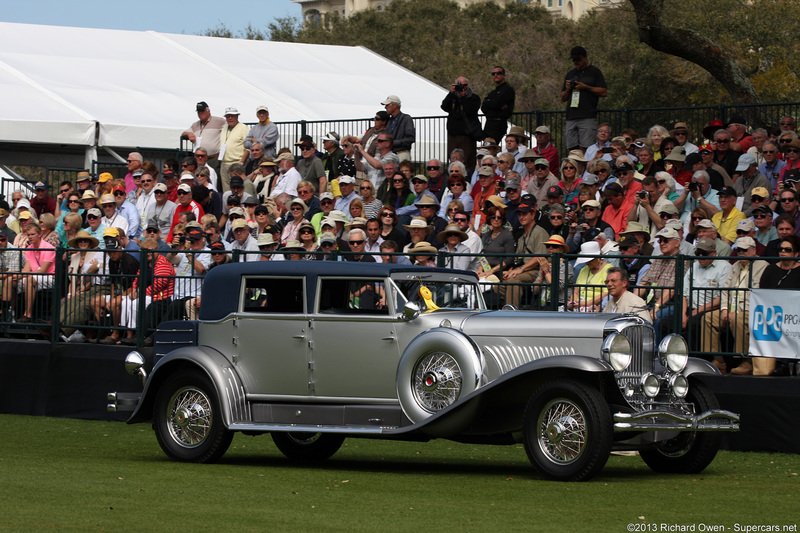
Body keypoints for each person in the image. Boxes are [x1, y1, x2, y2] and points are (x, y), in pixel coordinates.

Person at [702, 237, 768, 375]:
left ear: (754, 250)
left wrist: (736, 312)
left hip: (751, 310)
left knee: (739, 320)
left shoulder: (763, 265)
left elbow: (756, 294)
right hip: (731, 308)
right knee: (707, 318)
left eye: (745, 250)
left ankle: (746, 360)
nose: (741, 253)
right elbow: (725, 290)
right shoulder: (735, 265)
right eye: (739, 250)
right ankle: (718, 359)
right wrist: (725, 309)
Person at [682, 238, 731, 352]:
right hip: (689, 307)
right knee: (664, 322)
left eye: (704, 253)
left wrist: (698, 310)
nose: (700, 256)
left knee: (693, 323)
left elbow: (722, 297)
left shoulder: (724, 267)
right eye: (698, 253)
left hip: (709, 309)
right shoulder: (694, 266)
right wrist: (683, 314)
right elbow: (684, 293)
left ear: (714, 253)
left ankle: (696, 359)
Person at [560, 46, 607, 152]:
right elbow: (563, 98)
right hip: (571, 116)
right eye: (573, 60)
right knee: (572, 148)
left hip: (587, 115)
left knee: (586, 147)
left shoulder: (594, 72)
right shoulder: (570, 74)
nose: (576, 62)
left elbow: (604, 92)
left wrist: (586, 87)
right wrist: (568, 89)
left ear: (585, 57)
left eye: (578, 59)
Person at [441, 76, 481, 171]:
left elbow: (469, 110)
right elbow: (444, 106)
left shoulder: (474, 98)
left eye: (465, 85)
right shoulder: (453, 98)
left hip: (467, 135)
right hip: (453, 135)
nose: (462, 87)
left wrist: (462, 98)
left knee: (467, 160)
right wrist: (452, 93)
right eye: (460, 85)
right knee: (453, 160)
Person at [182, 101, 225, 172]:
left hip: (213, 159)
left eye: (202, 110)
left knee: (214, 180)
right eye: (198, 111)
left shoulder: (219, 121)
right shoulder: (195, 125)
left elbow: (231, 124)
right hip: (199, 159)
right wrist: (189, 134)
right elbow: (183, 133)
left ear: (208, 110)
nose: (200, 113)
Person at [533, 235, 573, 310]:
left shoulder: (565, 265)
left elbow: (557, 286)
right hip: (544, 301)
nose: (550, 248)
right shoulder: (545, 264)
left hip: (560, 303)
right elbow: (534, 290)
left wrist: (546, 271)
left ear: (562, 250)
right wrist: (542, 274)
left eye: (554, 246)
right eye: (548, 246)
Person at [481, 66, 515, 144]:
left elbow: (497, 103)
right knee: (486, 147)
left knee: (492, 146)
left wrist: (490, 103)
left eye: (499, 73)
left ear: (504, 76)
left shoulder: (508, 90)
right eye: (493, 74)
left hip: (498, 124)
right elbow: (484, 107)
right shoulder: (493, 92)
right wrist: (492, 104)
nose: (496, 75)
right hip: (489, 124)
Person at [381, 95, 415, 162]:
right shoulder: (390, 121)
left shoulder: (406, 119)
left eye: (387, 105)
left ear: (395, 105)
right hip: (390, 153)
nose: (385, 107)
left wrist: (394, 142)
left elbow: (411, 138)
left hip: (402, 153)